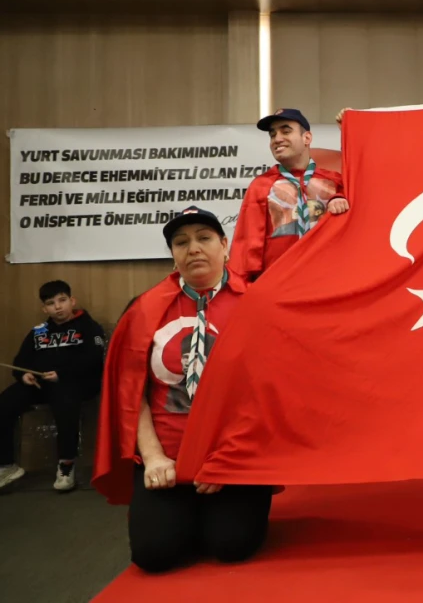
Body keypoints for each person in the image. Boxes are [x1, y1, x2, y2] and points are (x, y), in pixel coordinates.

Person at [94, 206, 272, 573]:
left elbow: (267, 393)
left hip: (235, 456)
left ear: (225, 245)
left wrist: (226, 458)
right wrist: (154, 457)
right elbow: (131, 393)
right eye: (181, 242)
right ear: (173, 254)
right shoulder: (144, 310)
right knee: (155, 555)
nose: (193, 249)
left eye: (204, 238)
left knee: (232, 546)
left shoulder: (257, 303)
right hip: (168, 460)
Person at [0, 281, 106, 492]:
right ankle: (6, 465)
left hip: (77, 383)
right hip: (41, 385)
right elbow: (20, 361)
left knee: (65, 400)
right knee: (4, 403)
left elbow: (94, 360)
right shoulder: (38, 332)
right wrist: (24, 375)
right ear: (44, 308)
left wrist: (62, 374)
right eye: (51, 303)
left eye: (62, 300)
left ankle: (66, 464)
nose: (58, 307)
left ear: (72, 301)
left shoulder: (89, 327)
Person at [230, 108, 349, 282]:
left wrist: (349, 132)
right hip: (279, 286)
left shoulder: (335, 182)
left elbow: (366, 182)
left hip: (328, 282)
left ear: (307, 138)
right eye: (273, 135)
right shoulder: (261, 186)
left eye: (286, 131)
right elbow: (246, 247)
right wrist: (242, 287)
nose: (277, 139)